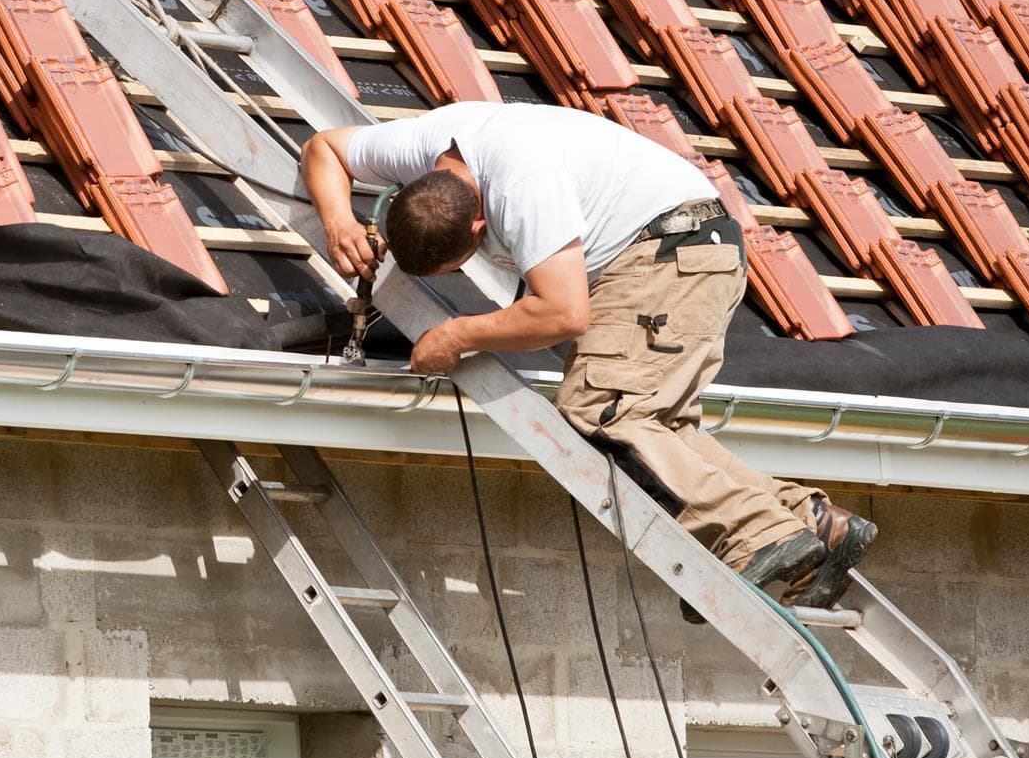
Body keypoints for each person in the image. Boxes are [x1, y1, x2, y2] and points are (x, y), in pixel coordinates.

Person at [301, 101, 876, 611]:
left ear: (479, 223)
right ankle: (813, 525)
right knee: (654, 426)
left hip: (669, 255)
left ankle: (756, 534)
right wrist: (338, 221)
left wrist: (456, 335)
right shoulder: (427, 143)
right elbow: (323, 146)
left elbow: (562, 314)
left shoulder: (524, 188)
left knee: (602, 409)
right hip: (684, 246)